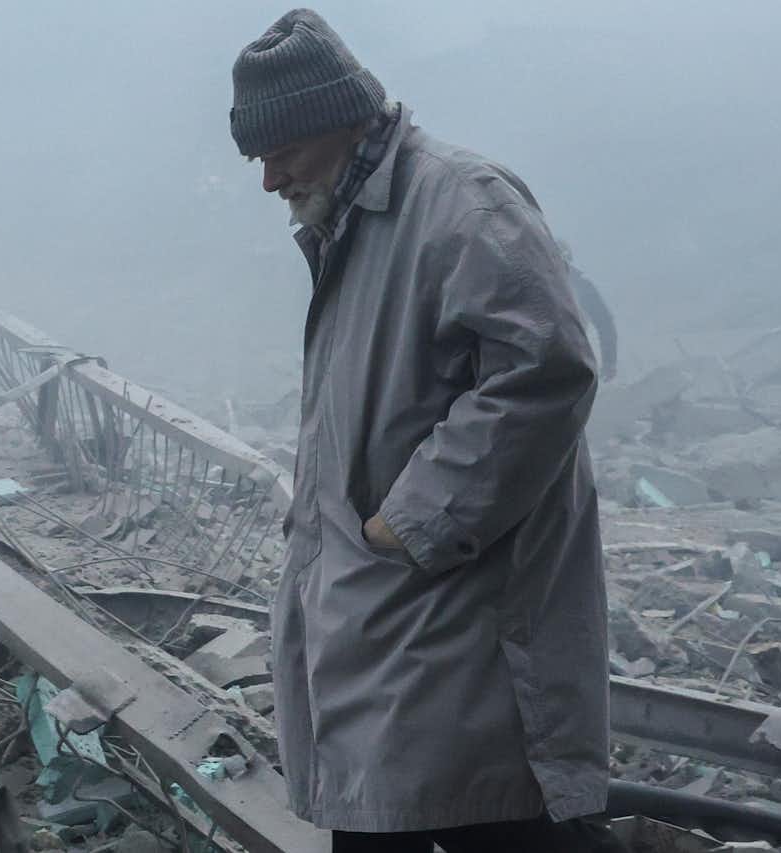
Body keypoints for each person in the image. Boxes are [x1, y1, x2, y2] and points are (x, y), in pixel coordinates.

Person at [230, 10, 623, 853]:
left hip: (449, 600)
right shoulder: (352, 223)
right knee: (395, 809)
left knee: (483, 809)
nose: (268, 180)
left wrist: (413, 519)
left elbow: (546, 370)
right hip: (383, 606)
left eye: (280, 152)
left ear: (338, 121)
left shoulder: (461, 202)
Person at [560, 244, 621, 381]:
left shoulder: (581, 286)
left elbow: (604, 323)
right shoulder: (580, 285)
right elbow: (605, 323)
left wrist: (609, 362)